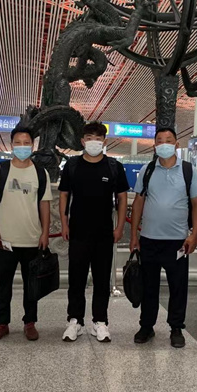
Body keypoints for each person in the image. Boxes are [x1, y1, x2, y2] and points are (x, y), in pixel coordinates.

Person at [129, 128, 197, 348]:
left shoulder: (188, 170)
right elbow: (138, 202)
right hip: (149, 239)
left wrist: (193, 235)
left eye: (168, 140)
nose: (164, 144)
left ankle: (176, 328)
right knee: (149, 286)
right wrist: (134, 235)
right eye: (159, 140)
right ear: (154, 146)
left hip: (178, 241)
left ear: (176, 145)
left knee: (178, 287)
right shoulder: (148, 170)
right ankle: (146, 326)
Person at [59, 122, 129, 343]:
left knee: (102, 279)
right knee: (76, 279)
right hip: (78, 231)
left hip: (104, 233)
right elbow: (64, 194)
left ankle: (100, 322)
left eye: (98, 139)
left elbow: (122, 198)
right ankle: (75, 321)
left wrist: (119, 227)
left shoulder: (114, 167)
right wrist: (64, 223)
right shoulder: (72, 165)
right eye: (89, 138)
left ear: (104, 141)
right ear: (82, 141)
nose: (93, 142)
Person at [0, 126, 52, 342]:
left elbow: (44, 205)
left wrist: (45, 233)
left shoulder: (40, 172)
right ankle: (2, 323)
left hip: (32, 239)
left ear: (33, 145)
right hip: (4, 240)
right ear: (11, 144)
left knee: (32, 286)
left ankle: (29, 323)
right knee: (4, 284)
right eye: (18, 142)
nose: (22, 146)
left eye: (26, 143)